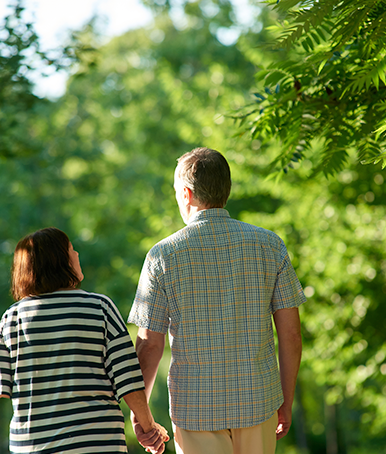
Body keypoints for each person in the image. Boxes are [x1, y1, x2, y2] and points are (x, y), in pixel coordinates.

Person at [128, 148, 306, 454]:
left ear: (186, 193)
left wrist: (140, 415)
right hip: (259, 403)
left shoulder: (162, 256)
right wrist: (285, 402)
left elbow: (149, 344)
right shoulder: (270, 245)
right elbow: (290, 335)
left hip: (195, 410)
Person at [0, 227, 169, 454]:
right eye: (71, 250)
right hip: (98, 445)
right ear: (59, 261)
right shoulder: (100, 308)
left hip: (35, 447)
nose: (77, 254)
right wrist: (148, 427)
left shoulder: (12, 319)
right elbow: (129, 380)